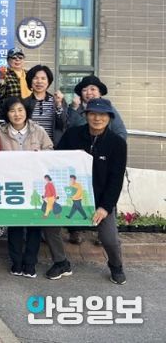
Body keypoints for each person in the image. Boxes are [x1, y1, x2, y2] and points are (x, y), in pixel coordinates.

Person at [56, 98, 128, 284]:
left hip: (100, 200)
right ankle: (60, 262)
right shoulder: (72, 135)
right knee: (48, 226)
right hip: (71, 197)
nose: (97, 118)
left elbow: (116, 179)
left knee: (110, 239)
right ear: (86, 115)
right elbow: (57, 160)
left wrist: (105, 207)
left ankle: (116, 266)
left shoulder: (117, 143)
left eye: (102, 115)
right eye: (93, 114)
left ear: (109, 117)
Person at [0, 96, 53, 278]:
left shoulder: (38, 131)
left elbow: (50, 150)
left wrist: (41, 154)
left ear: (26, 111)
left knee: (34, 225)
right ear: (7, 114)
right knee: (15, 225)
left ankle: (30, 263)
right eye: (12, 111)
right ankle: (16, 262)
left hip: (35, 185)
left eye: (20, 110)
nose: (17, 114)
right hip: (12, 185)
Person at [68, 75, 127, 140]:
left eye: (92, 89)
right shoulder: (74, 108)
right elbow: (67, 130)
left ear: (100, 93)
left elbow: (121, 133)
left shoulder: (109, 109)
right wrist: (73, 109)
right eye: (84, 90)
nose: (89, 93)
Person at [23, 65, 67, 145]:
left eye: (43, 78)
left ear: (48, 82)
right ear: (30, 81)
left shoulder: (58, 100)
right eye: (35, 78)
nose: (39, 81)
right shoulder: (24, 103)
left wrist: (58, 105)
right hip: (31, 146)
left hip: (53, 146)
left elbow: (63, 124)